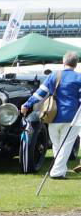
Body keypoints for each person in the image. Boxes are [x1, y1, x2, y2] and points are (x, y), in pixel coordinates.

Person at [22, 51, 81, 180]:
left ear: (63, 61)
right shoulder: (79, 77)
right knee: (66, 145)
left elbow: (40, 93)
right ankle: (56, 172)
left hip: (51, 116)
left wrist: (27, 104)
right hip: (72, 117)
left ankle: (61, 170)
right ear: (76, 64)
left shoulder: (54, 75)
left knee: (57, 145)